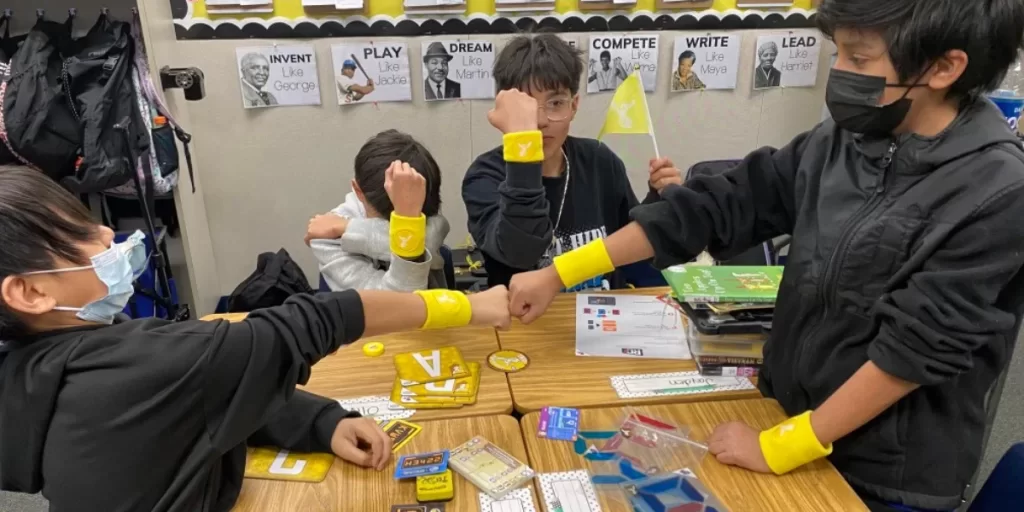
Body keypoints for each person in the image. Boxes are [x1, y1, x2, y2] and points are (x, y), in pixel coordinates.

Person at [506, 1, 1024, 510]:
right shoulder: (841, 140)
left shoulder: (998, 190)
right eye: (837, 53)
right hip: (784, 410)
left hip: (882, 471)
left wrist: (779, 447)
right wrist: (560, 273)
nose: (839, 72)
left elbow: (913, 352)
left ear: (943, 67)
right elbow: (714, 206)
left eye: (859, 59)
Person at [0, 165, 510, 511]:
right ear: (28, 293)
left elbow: (196, 401)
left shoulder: (32, 370)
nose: (109, 237)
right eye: (80, 237)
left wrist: (320, 421)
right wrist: (470, 306)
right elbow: (325, 317)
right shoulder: (153, 363)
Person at [463, 34, 682, 289]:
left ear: (574, 106)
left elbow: (631, 246)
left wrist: (658, 199)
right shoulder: (484, 176)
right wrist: (523, 151)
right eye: (527, 106)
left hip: (603, 312)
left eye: (556, 103)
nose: (542, 121)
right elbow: (520, 253)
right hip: (524, 321)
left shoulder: (600, 161)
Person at [306, 130, 449, 292]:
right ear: (357, 191)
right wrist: (409, 221)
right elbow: (399, 304)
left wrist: (348, 228)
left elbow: (435, 231)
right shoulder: (327, 239)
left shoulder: (335, 229)